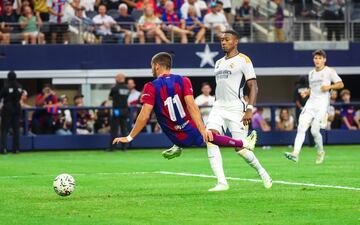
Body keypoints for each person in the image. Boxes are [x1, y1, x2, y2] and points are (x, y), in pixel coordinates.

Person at [162, 31, 271, 192]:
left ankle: (263, 173)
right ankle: (222, 182)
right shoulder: (218, 62)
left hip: (236, 108)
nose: (223, 42)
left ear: (236, 41)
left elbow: (253, 86)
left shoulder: (244, 60)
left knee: (241, 149)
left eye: (227, 40)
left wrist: (249, 109)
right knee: (210, 138)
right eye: (221, 40)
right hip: (218, 107)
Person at [113, 52, 257, 162]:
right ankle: (242, 142)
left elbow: (144, 115)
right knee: (210, 137)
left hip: (175, 135)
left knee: (169, 118)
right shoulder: (184, 80)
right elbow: (192, 106)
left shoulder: (151, 86)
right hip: (192, 130)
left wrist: (130, 137)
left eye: (152, 65)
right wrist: (202, 129)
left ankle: (178, 145)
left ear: (156, 65)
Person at [285, 49, 344, 164]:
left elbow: (341, 84)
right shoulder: (311, 73)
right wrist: (307, 92)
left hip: (322, 106)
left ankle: (320, 152)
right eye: (315, 58)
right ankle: (295, 153)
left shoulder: (329, 71)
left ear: (324, 60)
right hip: (310, 105)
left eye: (320, 58)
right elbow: (313, 89)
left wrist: (328, 87)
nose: (317, 60)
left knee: (314, 131)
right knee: (301, 127)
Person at [0, 71, 23, 154]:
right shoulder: (20, 86)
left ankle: (4, 149)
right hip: (17, 108)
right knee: (16, 129)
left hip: (7, 108)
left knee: (4, 129)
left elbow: (1, 95)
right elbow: (20, 96)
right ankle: (16, 149)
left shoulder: (6, 87)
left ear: (8, 77)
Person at [109, 73, 130, 151]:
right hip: (125, 110)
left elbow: (110, 97)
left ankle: (112, 148)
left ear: (117, 79)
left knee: (114, 129)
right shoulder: (127, 88)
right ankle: (124, 148)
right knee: (124, 129)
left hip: (117, 110)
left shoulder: (114, 88)